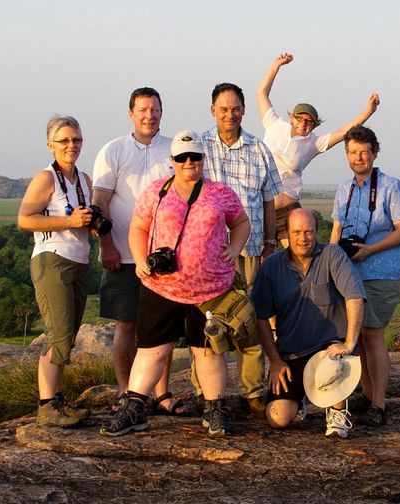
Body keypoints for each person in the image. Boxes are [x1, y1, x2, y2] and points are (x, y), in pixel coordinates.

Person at [101, 130, 250, 437]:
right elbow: (138, 227)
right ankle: (134, 409)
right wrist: (141, 259)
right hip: (163, 286)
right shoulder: (157, 191)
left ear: (203, 159)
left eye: (194, 156)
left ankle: (215, 410)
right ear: (172, 161)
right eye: (181, 158)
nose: (188, 162)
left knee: (207, 351)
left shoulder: (220, 193)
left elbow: (241, 222)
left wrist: (234, 248)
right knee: (153, 349)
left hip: (210, 289)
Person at [91, 87, 185, 416]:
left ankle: (161, 393)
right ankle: (125, 391)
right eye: (143, 109)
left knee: (163, 327)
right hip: (123, 253)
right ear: (131, 113)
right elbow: (99, 204)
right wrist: (106, 246)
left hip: (164, 257)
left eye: (155, 109)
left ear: (162, 112)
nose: (149, 115)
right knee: (127, 325)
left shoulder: (173, 150)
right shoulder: (113, 150)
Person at [199, 82, 281, 417]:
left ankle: (251, 391)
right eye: (223, 109)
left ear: (244, 110)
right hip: (211, 252)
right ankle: (208, 393)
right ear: (212, 110)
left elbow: (269, 199)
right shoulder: (199, 147)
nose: (229, 114)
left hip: (250, 248)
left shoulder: (259, 149)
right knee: (210, 322)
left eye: (235, 108)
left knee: (252, 319)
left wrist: (271, 243)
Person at [15, 115, 100, 428]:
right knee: (59, 334)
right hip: (52, 259)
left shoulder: (84, 180)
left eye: (76, 140)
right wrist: (69, 222)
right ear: (51, 145)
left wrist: (90, 225)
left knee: (68, 335)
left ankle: (57, 399)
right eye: (64, 141)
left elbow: (82, 220)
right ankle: (47, 405)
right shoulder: (46, 178)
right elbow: (24, 219)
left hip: (78, 260)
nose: (71, 146)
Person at [253, 208, 366, 438]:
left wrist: (349, 343)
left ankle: (336, 413)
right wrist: (275, 361)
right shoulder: (272, 266)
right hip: (291, 353)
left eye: (308, 232)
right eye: (296, 232)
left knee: (336, 360)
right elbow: (261, 317)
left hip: (328, 349)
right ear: (286, 233)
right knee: (278, 418)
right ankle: (301, 397)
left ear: (317, 232)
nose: (303, 238)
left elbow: (354, 296)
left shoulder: (332, 255)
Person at [328, 125, 400, 427]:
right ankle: (365, 392)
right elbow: (336, 230)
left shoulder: (391, 186)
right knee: (358, 338)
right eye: (352, 152)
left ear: (375, 152)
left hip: (380, 272)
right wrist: (332, 261)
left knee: (373, 336)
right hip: (349, 273)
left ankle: (379, 403)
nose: (358, 157)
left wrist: (370, 249)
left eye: (364, 151)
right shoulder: (343, 189)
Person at [256, 53, 381, 244]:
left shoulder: (314, 143)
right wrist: (277, 65)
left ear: (314, 125)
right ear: (292, 118)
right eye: (300, 118)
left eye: (309, 121)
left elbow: (343, 132)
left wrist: (368, 111)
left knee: (299, 260)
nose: (304, 123)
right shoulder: (274, 125)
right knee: (261, 260)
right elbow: (262, 93)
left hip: (287, 208)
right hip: (261, 205)